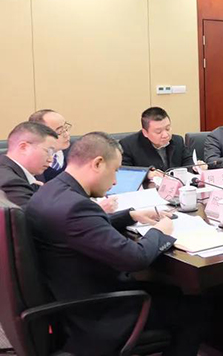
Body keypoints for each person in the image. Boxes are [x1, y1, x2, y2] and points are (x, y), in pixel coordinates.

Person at [26, 132, 208, 355]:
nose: (114, 182)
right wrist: (159, 231)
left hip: (70, 298)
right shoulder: (75, 207)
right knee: (195, 308)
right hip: (98, 312)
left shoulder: (51, 191)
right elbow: (135, 259)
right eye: (115, 171)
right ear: (98, 164)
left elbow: (78, 228)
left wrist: (130, 216)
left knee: (174, 291)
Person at [120, 107, 206, 179]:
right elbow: (122, 172)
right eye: (158, 132)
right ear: (145, 132)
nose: (165, 135)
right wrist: (146, 174)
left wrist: (196, 166)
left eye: (167, 129)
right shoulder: (128, 145)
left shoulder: (177, 141)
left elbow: (187, 160)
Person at [0, 122, 58, 208]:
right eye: (48, 151)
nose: (51, 159)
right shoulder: (11, 182)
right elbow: (35, 215)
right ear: (24, 147)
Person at [29, 109, 72, 182]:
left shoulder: (77, 153)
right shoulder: (29, 160)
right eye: (60, 131)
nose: (67, 134)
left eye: (66, 128)